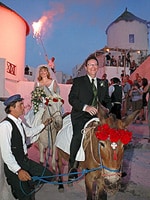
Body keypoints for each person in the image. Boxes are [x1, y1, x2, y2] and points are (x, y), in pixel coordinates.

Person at [0, 94, 55, 200]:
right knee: (26, 197)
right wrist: (18, 171)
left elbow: (29, 132)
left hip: (25, 161)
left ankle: (28, 184)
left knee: (48, 175)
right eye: (20, 105)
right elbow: (6, 154)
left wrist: (44, 124)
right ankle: (20, 188)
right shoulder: (5, 126)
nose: (23, 107)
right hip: (15, 166)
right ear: (11, 108)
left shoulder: (19, 122)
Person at [68, 55, 112, 180]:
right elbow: (72, 99)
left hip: (99, 116)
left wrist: (106, 109)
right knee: (77, 136)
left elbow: (108, 100)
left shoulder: (103, 83)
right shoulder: (78, 81)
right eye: (90, 65)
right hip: (81, 115)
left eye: (95, 64)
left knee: (112, 136)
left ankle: (112, 166)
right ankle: (72, 166)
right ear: (86, 68)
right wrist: (85, 107)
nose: (93, 67)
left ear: (98, 67)